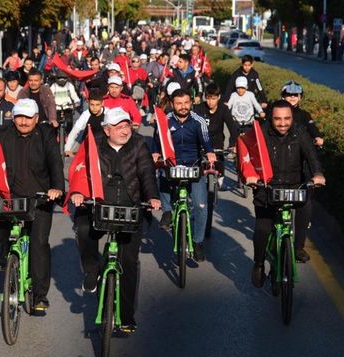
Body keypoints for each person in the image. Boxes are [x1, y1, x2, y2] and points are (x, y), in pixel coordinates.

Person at [70, 107, 160, 333]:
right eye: (119, 127)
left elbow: (147, 173)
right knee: (82, 227)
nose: (124, 130)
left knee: (129, 263)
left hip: (131, 205)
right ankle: (92, 270)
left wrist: (152, 197)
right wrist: (78, 192)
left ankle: (127, 317)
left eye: (127, 125)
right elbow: (81, 170)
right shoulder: (94, 143)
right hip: (99, 205)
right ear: (107, 129)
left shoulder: (139, 144)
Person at [0, 99, 64, 312]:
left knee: (39, 243)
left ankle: (40, 295)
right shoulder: (3, 133)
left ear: (36, 118)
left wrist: (57, 188)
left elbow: (55, 162)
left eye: (27, 118)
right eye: (19, 117)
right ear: (13, 117)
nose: (23, 122)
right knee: (1, 229)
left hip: (40, 196)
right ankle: (7, 259)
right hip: (11, 195)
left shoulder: (46, 135)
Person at [243, 100, 326, 287]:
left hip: (293, 187)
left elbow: (312, 156)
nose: (283, 123)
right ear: (271, 118)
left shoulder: (300, 132)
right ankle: (258, 263)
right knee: (263, 229)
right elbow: (247, 155)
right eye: (278, 119)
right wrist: (250, 176)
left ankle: (297, 247)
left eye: (287, 118)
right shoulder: (261, 133)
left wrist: (318, 174)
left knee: (305, 208)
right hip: (267, 188)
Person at [152, 89, 216, 260]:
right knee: (162, 174)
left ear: (191, 103)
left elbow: (206, 140)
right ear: (172, 104)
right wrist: (155, 152)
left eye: (186, 103)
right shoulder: (165, 121)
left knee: (202, 206)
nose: (183, 107)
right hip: (172, 165)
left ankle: (198, 242)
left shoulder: (198, 121)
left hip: (194, 168)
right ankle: (166, 212)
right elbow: (157, 141)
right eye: (179, 103)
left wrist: (210, 152)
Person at [193, 82, 238, 189]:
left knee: (219, 158)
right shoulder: (198, 108)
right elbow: (192, 126)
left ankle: (220, 176)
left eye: (213, 98)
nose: (210, 102)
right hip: (201, 139)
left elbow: (232, 127)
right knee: (196, 161)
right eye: (208, 98)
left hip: (217, 139)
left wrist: (233, 144)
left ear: (219, 97)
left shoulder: (224, 109)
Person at [64, 88, 107, 156]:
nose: (94, 108)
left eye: (97, 104)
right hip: (88, 144)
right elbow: (74, 132)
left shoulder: (108, 113)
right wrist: (67, 148)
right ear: (88, 102)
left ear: (102, 103)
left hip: (104, 146)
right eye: (92, 104)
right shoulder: (85, 115)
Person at [280, 80, 323, 147]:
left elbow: (312, 127)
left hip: (300, 148)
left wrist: (317, 136)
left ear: (300, 97)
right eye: (289, 94)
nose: (292, 97)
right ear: (283, 97)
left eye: (296, 95)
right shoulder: (276, 112)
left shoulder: (304, 114)